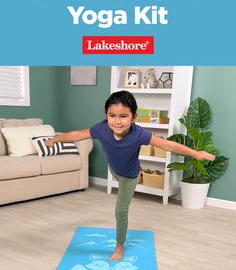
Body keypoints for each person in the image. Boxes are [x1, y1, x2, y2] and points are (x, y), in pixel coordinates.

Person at [45, 91, 215, 261]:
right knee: (118, 189)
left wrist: (196, 153)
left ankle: (119, 247)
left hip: (129, 176)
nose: (117, 121)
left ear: (134, 117)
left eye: (123, 116)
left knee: (120, 211)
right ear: (106, 115)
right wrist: (55, 140)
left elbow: (168, 145)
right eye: (112, 115)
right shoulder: (101, 129)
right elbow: (76, 135)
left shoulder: (139, 134)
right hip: (114, 170)